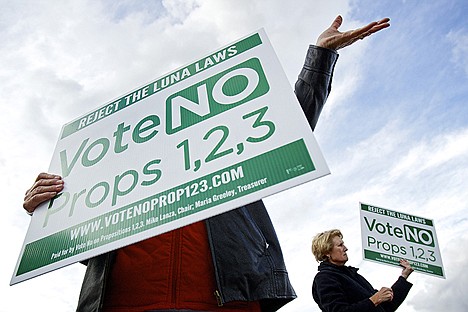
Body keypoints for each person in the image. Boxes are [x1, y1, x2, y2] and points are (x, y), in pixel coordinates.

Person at [23, 16, 390, 312]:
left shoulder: (222, 156)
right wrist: (47, 210)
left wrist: (320, 58)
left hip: (227, 301)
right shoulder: (114, 177)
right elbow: (75, 242)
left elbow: (287, 123)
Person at [311, 229, 414, 312]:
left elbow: (385, 308)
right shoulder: (325, 278)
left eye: (343, 244)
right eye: (340, 245)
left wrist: (404, 276)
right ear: (327, 252)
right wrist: (374, 300)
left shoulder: (354, 276)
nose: (345, 248)